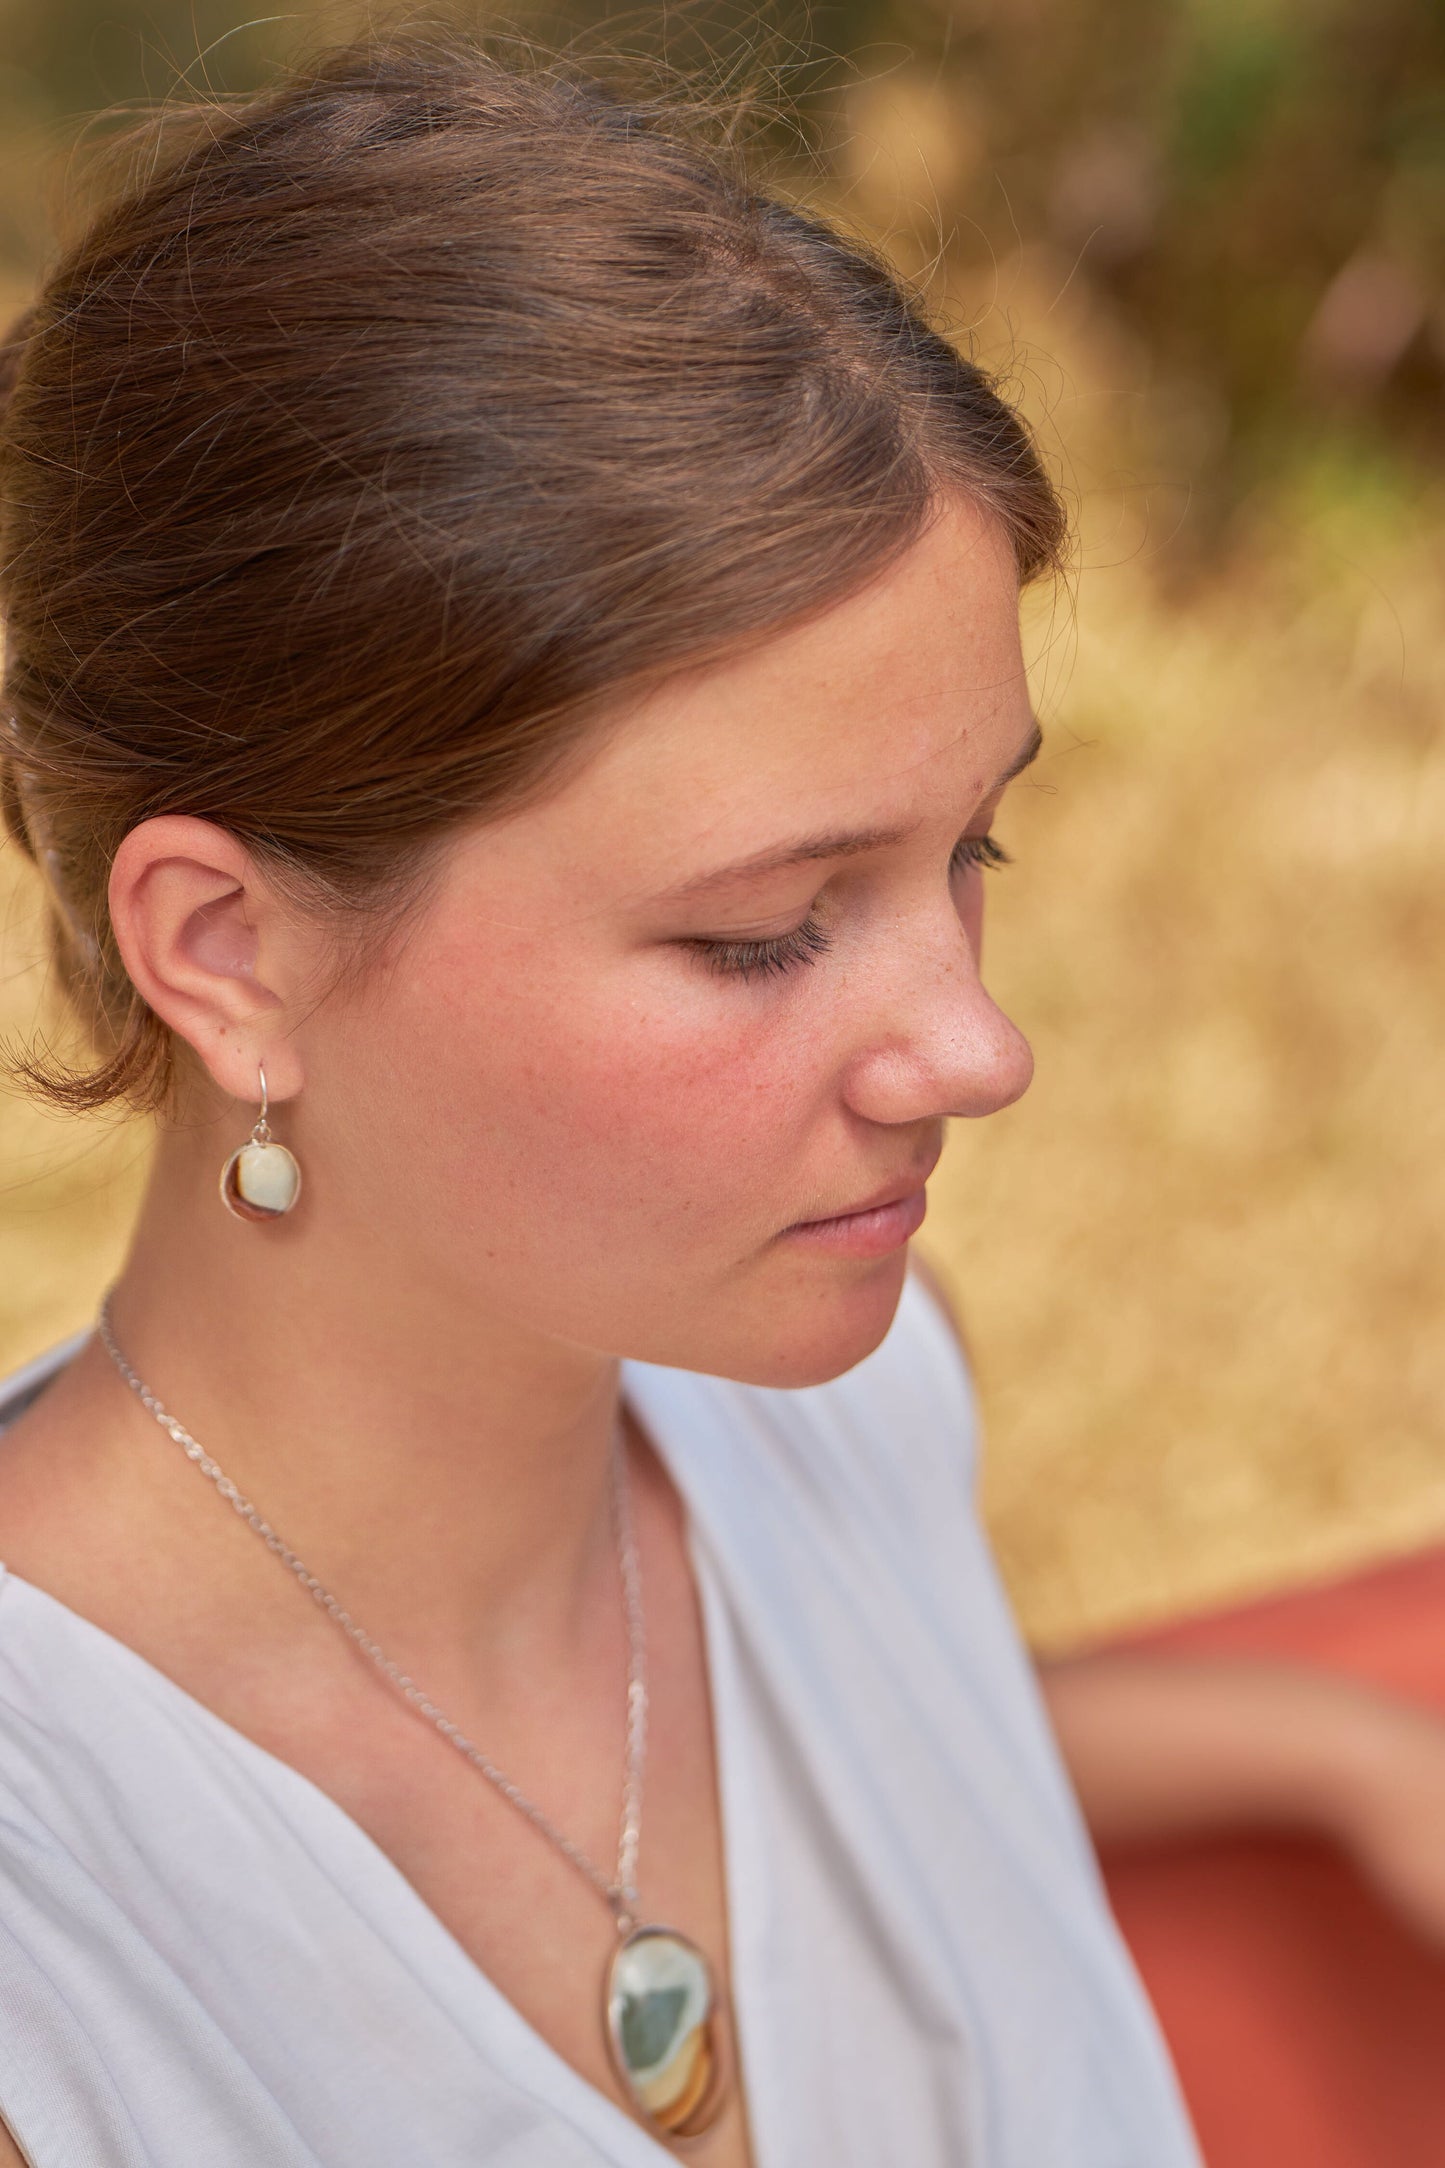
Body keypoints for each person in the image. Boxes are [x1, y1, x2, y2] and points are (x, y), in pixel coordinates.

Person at [0, 31, 1215, 2167]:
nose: (980, 1051)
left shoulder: (848, 1410)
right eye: (764, 931)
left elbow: (877, 1748)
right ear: (225, 952)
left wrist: (1334, 1754)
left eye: (969, 854)